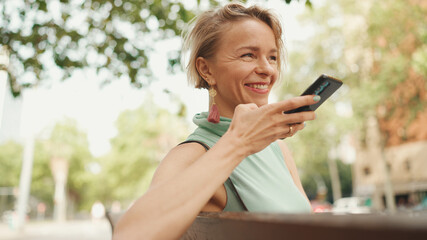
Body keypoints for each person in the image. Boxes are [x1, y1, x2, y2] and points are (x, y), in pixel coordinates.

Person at [113, 3, 319, 240]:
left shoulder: (278, 149)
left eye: (272, 57)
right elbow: (130, 235)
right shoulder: (192, 154)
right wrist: (238, 143)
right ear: (206, 70)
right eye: (248, 55)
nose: (267, 69)